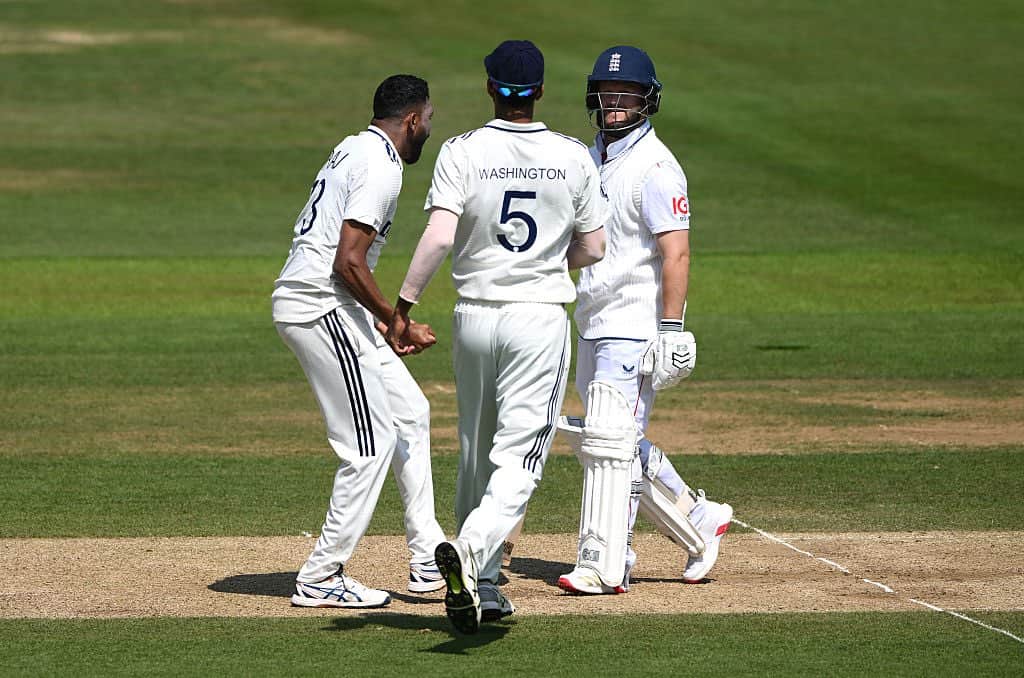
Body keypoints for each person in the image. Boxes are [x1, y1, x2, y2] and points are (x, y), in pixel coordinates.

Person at [387, 39, 606, 634]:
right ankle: (473, 547)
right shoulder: (570, 156)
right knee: (521, 458)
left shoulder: (463, 149)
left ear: (489, 87)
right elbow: (595, 247)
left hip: (475, 316)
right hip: (537, 318)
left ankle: (481, 584)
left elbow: (436, 239)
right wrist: (548, 262)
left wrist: (402, 307)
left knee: (474, 450)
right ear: (539, 90)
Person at [557, 46, 733, 595]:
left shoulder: (658, 167)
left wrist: (671, 328)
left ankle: (614, 555)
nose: (615, 104)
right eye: (608, 95)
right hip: (591, 316)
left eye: (626, 95)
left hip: (634, 321)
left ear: (647, 99)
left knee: (614, 440)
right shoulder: (591, 157)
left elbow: (676, 252)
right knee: (608, 441)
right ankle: (697, 515)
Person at [271, 74, 447, 608]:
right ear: (412, 120)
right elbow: (345, 261)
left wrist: (375, 319)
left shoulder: (354, 145)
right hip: (318, 305)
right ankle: (322, 575)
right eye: (429, 122)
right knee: (369, 445)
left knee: (411, 412)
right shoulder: (381, 167)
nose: (428, 132)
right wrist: (397, 320)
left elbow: (341, 254)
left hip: (333, 303)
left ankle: (426, 557)